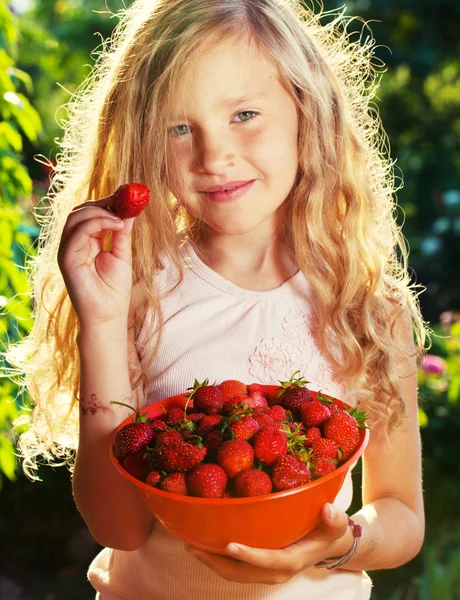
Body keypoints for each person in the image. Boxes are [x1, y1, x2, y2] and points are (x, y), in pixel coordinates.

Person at [7, 0, 428, 598]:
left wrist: (338, 542)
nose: (213, 156)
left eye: (245, 114)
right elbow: (119, 529)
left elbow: (401, 516)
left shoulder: (365, 304)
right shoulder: (139, 292)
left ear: (309, 114)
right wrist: (100, 321)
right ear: (146, 139)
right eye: (181, 128)